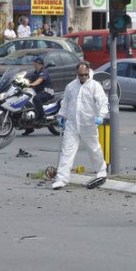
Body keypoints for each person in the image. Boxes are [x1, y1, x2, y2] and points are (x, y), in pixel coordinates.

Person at [51, 61, 109, 190]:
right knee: (67, 151)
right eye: (81, 75)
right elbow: (65, 102)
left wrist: (101, 115)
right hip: (72, 124)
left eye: (85, 75)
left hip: (88, 123)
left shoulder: (95, 86)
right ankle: (61, 179)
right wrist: (61, 116)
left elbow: (103, 102)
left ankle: (101, 172)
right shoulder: (71, 86)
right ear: (77, 74)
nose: (83, 77)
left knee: (94, 148)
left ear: (89, 72)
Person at [21, 56, 54, 136]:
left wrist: (32, 84)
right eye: (34, 63)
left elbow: (39, 80)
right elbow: (30, 80)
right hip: (39, 92)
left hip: (47, 92)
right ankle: (29, 127)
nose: (35, 65)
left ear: (40, 64)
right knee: (26, 103)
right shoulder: (35, 73)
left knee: (36, 98)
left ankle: (42, 117)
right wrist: (21, 82)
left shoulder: (44, 71)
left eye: (36, 63)